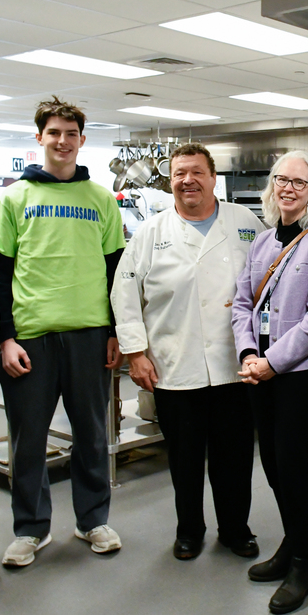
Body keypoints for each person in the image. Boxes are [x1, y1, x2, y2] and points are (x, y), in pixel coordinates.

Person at [0, 96, 125, 567]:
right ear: (39, 138)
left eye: (71, 134)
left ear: (82, 140)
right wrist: (5, 337)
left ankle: (92, 520)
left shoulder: (101, 199)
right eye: (54, 133)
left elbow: (115, 272)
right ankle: (30, 528)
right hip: (30, 339)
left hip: (89, 334)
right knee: (28, 440)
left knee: (91, 433)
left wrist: (113, 330)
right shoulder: (15, 198)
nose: (62, 141)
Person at [111, 143, 263, 562]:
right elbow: (124, 291)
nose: (187, 180)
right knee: (184, 460)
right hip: (174, 366)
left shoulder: (244, 221)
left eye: (196, 172)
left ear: (213, 178)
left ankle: (236, 529)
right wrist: (136, 352)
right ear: (171, 180)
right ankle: (189, 531)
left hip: (235, 366)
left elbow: (267, 281)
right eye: (179, 173)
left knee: (233, 459)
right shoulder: (151, 232)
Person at [231, 151, 308, 614]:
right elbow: (241, 305)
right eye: (281, 180)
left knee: (293, 464)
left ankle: (304, 561)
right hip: (259, 369)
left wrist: (272, 362)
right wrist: (249, 353)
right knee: (273, 464)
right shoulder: (260, 243)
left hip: (296, 373)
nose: (288, 188)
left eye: (299, 182)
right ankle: (293, 542)